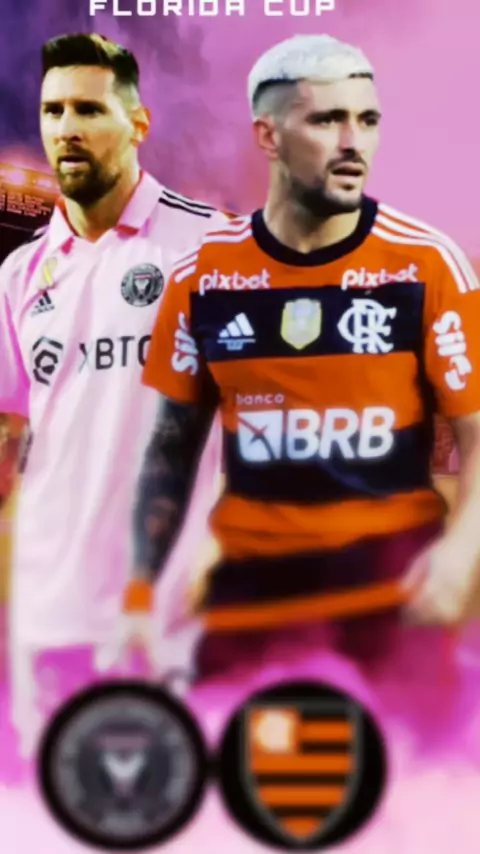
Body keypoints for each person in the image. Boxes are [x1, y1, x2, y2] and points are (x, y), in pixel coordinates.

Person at [119, 32, 480, 760]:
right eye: (327, 120)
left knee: (411, 797)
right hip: (250, 595)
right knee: (227, 790)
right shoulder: (203, 276)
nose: (354, 143)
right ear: (268, 136)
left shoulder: (427, 262)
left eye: (367, 120)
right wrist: (142, 592)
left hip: (391, 592)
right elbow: (169, 449)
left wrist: (459, 554)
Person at [0, 32, 230, 764]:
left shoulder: (208, 246)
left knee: (172, 801)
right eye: (53, 111)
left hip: (169, 614)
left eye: (89, 109)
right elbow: (8, 433)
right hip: (51, 616)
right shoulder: (19, 274)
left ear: (137, 124)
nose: (66, 128)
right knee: (56, 803)